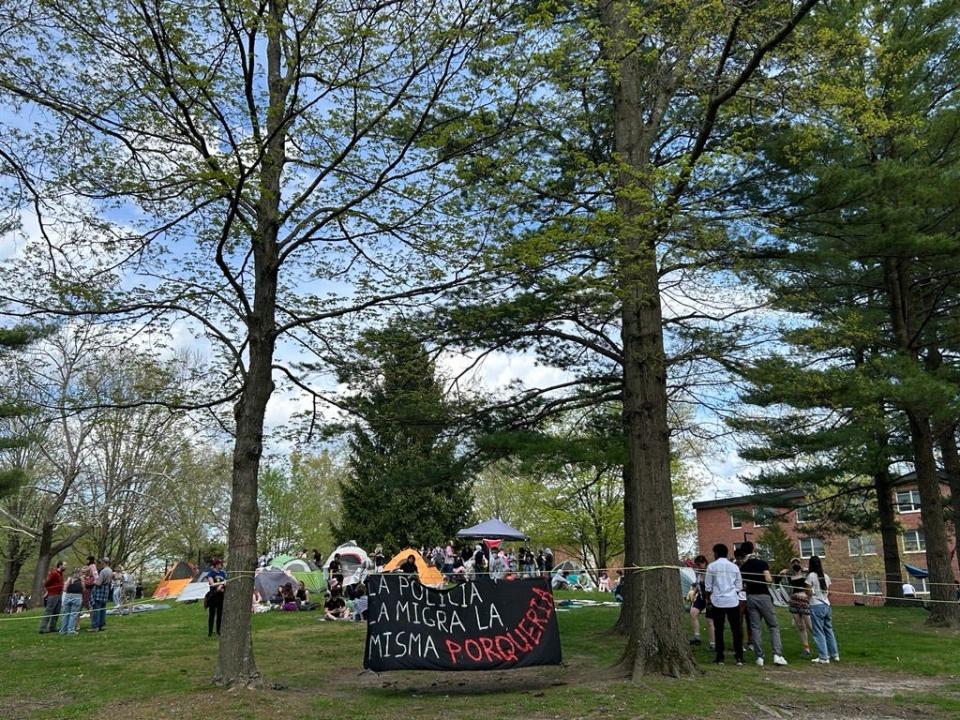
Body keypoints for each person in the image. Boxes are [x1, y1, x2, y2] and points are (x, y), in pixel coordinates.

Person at [739, 541, 788, 667]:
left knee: (755, 627)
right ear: (753, 549)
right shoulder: (762, 563)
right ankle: (777, 655)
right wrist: (770, 579)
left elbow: (742, 585)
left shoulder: (742, 567)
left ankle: (759, 657)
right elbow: (768, 580)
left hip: (750, 597)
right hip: (764, 596)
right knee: (773, 626)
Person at [704, 543, 743, 665]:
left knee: (719, 629)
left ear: (716, 553)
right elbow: (739, 585)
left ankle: (720, 657)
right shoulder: (734, 567)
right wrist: (732, 592)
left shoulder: (712, 567)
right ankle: (739, 657)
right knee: (736, 629)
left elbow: (708, 586)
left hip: (718, 601)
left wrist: (709, 597)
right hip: (732, 601)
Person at [806, 555, 839, 664]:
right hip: (826, 605)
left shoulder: (810, 576)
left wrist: (809, 592)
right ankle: (835, 654)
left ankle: (824, 657)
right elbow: (828, 591)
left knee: (818, 631)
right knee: (829, 630)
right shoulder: (825, 576)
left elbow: (808, 592)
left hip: (816, 605)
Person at [786, 558, 812, 656]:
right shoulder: (789, 574)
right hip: (794, 600)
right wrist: (782, 573)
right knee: (800, 626)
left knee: (810, 625)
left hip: (804, 600)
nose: (795, 564)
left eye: (797, 562)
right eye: (793, 563)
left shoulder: (806, 573)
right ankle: (806, 648)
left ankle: (822, 646)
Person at [688, 555, 714, 650]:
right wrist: (694, 593)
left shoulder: (710, 573)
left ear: (705, 563)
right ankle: (696, 637)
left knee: (710, 621)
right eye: (697, 565)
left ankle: (713, 643)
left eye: (699, 564)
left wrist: (709, 599)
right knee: (693, 613)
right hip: (701, 597)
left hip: (710, 598)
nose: (698, 567)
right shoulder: (698, 573)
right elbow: (697, 584)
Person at [39, 560, 65, 634]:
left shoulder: (61, 574)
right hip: (53, 595)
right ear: (60, 565)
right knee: (49, 611)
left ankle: (52, 627)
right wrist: (50, 590)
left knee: (57, 611)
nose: (66, 567)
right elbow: (47, 583)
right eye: (64, 565)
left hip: (59, 594)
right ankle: (43, 628)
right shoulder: (54, 573)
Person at [89, 557, 113, 632]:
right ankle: (102, 625)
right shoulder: (110, 570)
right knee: (103, 609)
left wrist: (93, 581)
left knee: (97, 609)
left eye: (101, 562)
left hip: (100, 591)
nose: (101, 563)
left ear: (104, 562)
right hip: (106, 591)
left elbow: (99, 583)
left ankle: (95, 626)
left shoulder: (103, 571)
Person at [60, 566, 84, 635]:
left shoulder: (69, 579)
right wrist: (82, 581)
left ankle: (63, 630)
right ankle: (70, 630)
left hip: (68, 596)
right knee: (73, 614)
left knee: (65, 614)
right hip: (77, 596)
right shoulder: (80, 580)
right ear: (79, 573)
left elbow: (64, 589)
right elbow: (83, 588)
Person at [206, 558, 226, 637]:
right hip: (213, 595)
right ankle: (210, 632)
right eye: (220, 564)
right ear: (216, 565)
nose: (221, 565)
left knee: (220, 615)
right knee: (212, 614)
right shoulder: (211, 574)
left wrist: (222, 586)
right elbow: (212, 584)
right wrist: (221, 583)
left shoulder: (223, 573)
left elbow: (225, 582)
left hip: (221, 596)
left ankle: (218, 631)